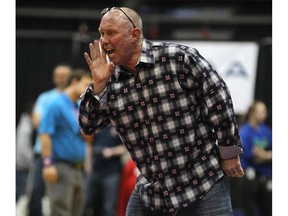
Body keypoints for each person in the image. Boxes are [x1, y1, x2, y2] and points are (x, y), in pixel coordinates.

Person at [78, 7, 244, 216]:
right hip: (153, 192)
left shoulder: (177, 58)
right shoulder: (108, 80)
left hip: (203, 181)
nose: (103, 41)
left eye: (111, 33)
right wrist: (98, 86)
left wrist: (228, 151)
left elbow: (218, 99)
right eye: (101, 34)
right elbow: (88, 126)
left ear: (134, 34)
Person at [38, 68, 92, 216]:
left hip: (78, 169)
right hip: (61, 167)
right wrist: (48, 164)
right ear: (74, 82)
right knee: (60, 211)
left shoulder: (78, 106)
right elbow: (44, 135)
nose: (89, 89)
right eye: (86, 85)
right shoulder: (56, 104)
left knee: (76, 211)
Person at [28, 63, 72, 216]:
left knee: (63, 198)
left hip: (63, 157)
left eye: (65, 76)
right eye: (59, 76)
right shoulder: (45, 97)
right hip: (42, 154)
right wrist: (61, 123)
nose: (62, 79)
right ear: (54, 79)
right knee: (35, 193)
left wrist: (50, 121)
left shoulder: (74, 100)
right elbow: (36, 122)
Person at [82, 124, 126, 216]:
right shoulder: (96, 125)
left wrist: (111, 152)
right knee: (86, 203)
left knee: (109, 207)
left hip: (112, 172)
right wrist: (88, 164)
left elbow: (125, 148)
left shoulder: (119, 125)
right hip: (95, 170)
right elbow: (89, 145)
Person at [239, 100, 272, 216]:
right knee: (251, 209)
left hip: (266, 174)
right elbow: (250, 156)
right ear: (253, 113)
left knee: (268, 206)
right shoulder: (244, 131)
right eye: (262, 111)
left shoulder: (266, 130)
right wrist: (267, 155)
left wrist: (261, 153)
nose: (265, 114)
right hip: (250, 174)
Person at [16, 101, 35, 202]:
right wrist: (33, 161)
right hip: (21, 169)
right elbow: (22, 149)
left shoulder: (27, 126)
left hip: (22, 168)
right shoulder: (25, 127)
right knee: (19, 198)